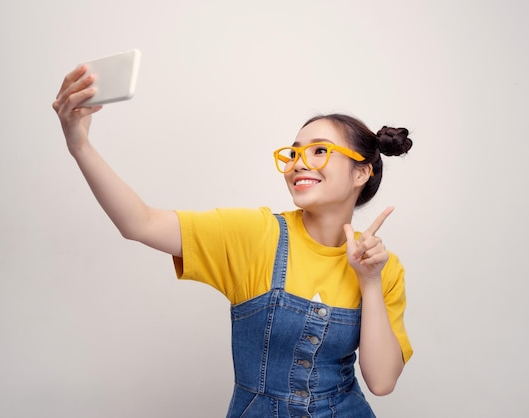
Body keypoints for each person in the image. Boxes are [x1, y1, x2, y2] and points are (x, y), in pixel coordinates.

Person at [53, 64, 414, 417]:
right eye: (294, 152)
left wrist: (368, 281)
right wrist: (79, 145)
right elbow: (140, 222)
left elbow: (381, 382)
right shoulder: (257, 235)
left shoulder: (384, 268)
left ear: (361, 172)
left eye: (319, 150)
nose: (299, 163)